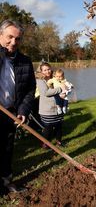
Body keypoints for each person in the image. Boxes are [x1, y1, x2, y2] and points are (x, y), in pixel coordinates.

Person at [0, 20, 36, 195]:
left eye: (17, 38)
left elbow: (30, 89)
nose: (13, 42)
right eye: (9, 37)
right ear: (0, 35)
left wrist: (23, 111)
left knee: (7, 150)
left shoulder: (25, 61)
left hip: (11, 113)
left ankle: (6, 182)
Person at [36, 62, 66, 148]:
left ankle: (59, 142)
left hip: (58, 108)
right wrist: (60, 89)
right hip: (47, 110)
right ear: (41, 71)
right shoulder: (40, 80)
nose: (47, 71)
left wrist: (66, 88)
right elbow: (46, 92)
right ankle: (45, 143)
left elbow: (65, 84)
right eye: (45, 70)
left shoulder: (56, 78)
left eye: (48, 69)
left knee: (59, 127)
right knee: (48, 128)